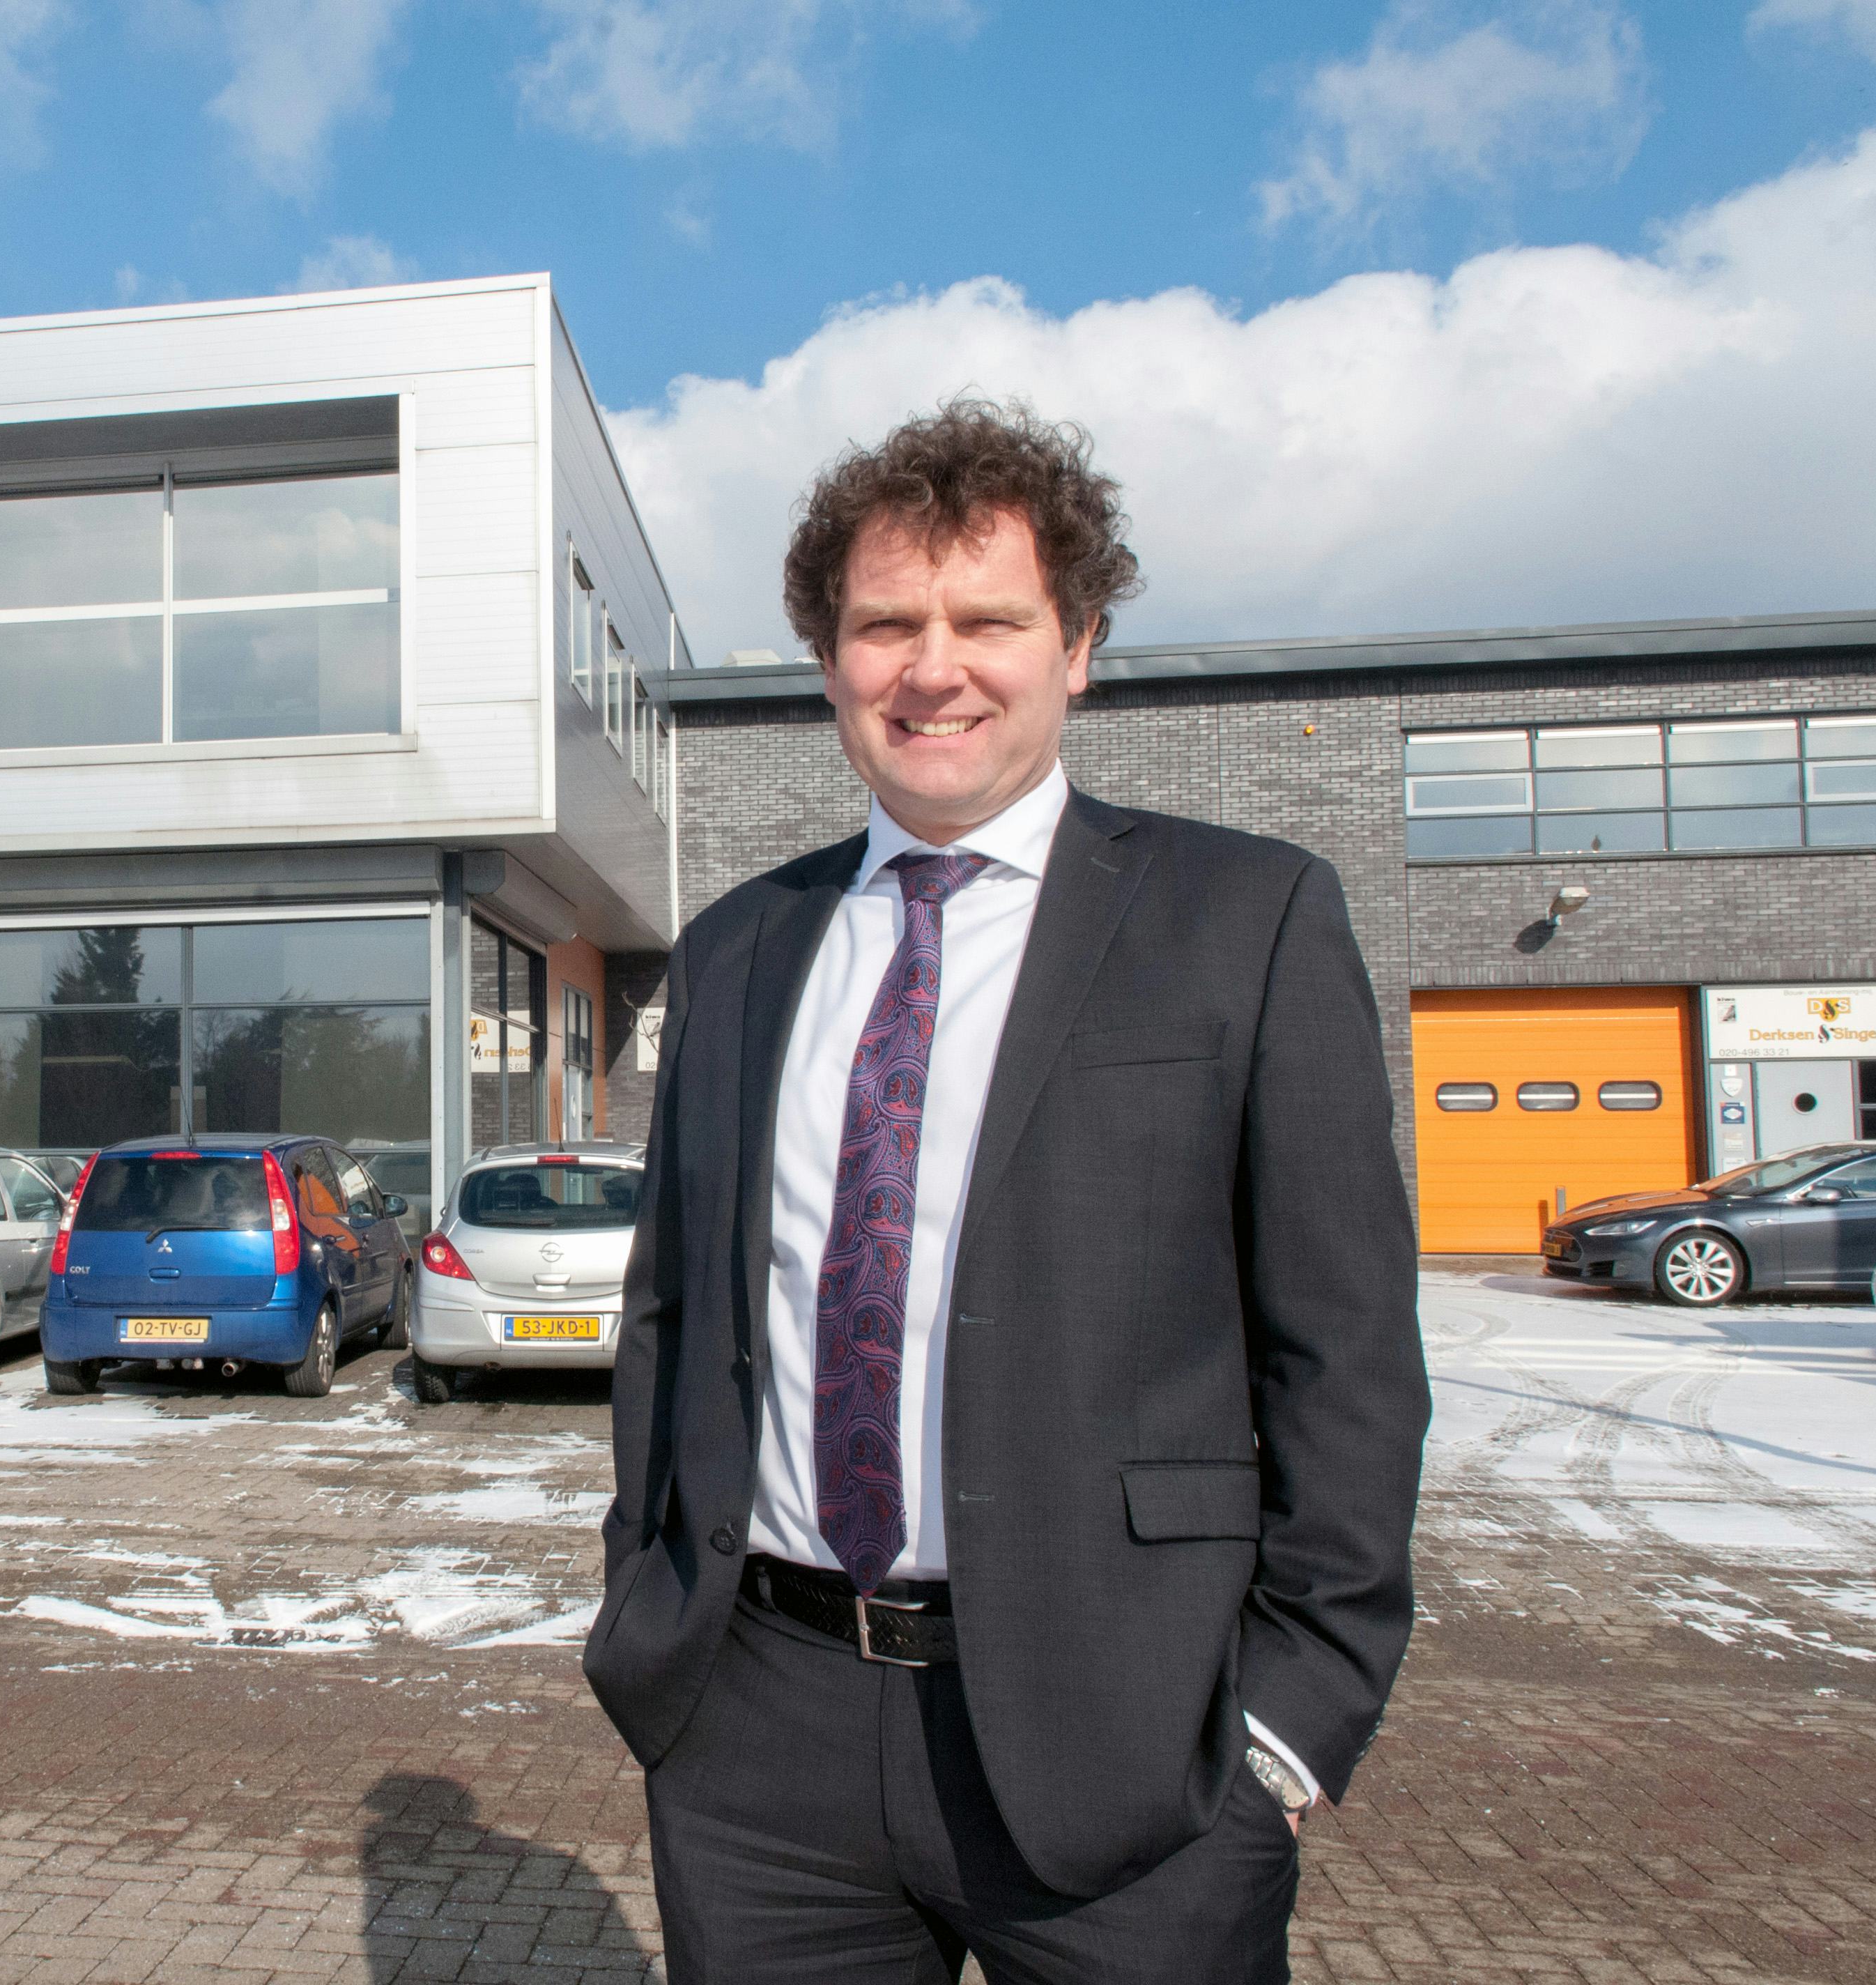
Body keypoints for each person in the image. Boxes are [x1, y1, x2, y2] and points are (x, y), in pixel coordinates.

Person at [583, 399, 1429, 1984]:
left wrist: (1288, 1722)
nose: (931, 665)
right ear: (829, 658)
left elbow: (1345, 1352)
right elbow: (673, 1313)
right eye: (883, 623)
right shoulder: (737, 950)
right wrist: (655, 1626)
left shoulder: (1242, 920)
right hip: (760, 1727)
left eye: (987, 619)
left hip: (1131, 1737)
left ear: (1077, 646)